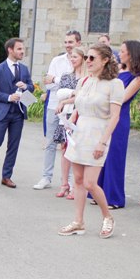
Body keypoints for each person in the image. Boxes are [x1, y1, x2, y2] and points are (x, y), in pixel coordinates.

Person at [58, 44, 124, 238]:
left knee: (89, 182)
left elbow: (115, 117)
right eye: (86, 57)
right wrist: (70, 121)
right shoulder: (84, 81)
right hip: (80, 133)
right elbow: (79, 105)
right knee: (78, 180)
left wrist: (102, 142)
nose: (87, 61)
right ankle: (78, 222)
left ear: (105, 60)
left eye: (92, 58)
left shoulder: (115, 84)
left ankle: (108, 217)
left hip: (98, 134)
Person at [93, 40, 140, 209]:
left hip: (119, 117)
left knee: (114, 156)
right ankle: (99, 193)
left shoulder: (137, 77)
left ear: (131, 54)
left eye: (122, 51)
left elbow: (122, 98)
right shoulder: (117, 70)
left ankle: (114, 197)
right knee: (102, 154)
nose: (119, 54)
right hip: (105, 115)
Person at [0, 38, 35, 188]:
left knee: (13, 146)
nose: (22, 51)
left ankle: (6, 176)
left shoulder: (24, 69)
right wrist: (9, 97)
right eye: (19, 49)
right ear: (10, 50)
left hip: (18, 113)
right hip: (2, 113)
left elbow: (31, 87)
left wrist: (26, 86)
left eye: (23, 49)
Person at [35, 30, 82, 190]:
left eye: (71, 42)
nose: (68, 45)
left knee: (69, 144)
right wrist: (65, 85)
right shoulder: (57, 61)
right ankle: (46, 177)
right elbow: (48, 85)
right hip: (53, 106)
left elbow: (79, 85)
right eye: (66, 42)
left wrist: (57, 79)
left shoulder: (82, 61)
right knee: (50, 143)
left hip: (72, 109)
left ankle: (68, 181)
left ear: (78, 43)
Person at [51, 46, 88, 199]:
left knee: (76, 149)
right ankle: (64, 183)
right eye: (71, 57)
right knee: (64, 148)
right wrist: (70, 95)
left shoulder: (88, 78)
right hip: (65, 114)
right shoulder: (67, 76)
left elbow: (83, 96)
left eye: (75, 57)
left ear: (83, 58)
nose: (72, 59)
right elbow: (60, 93)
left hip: (79, 113)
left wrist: (67, 99)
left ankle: (75, 185)